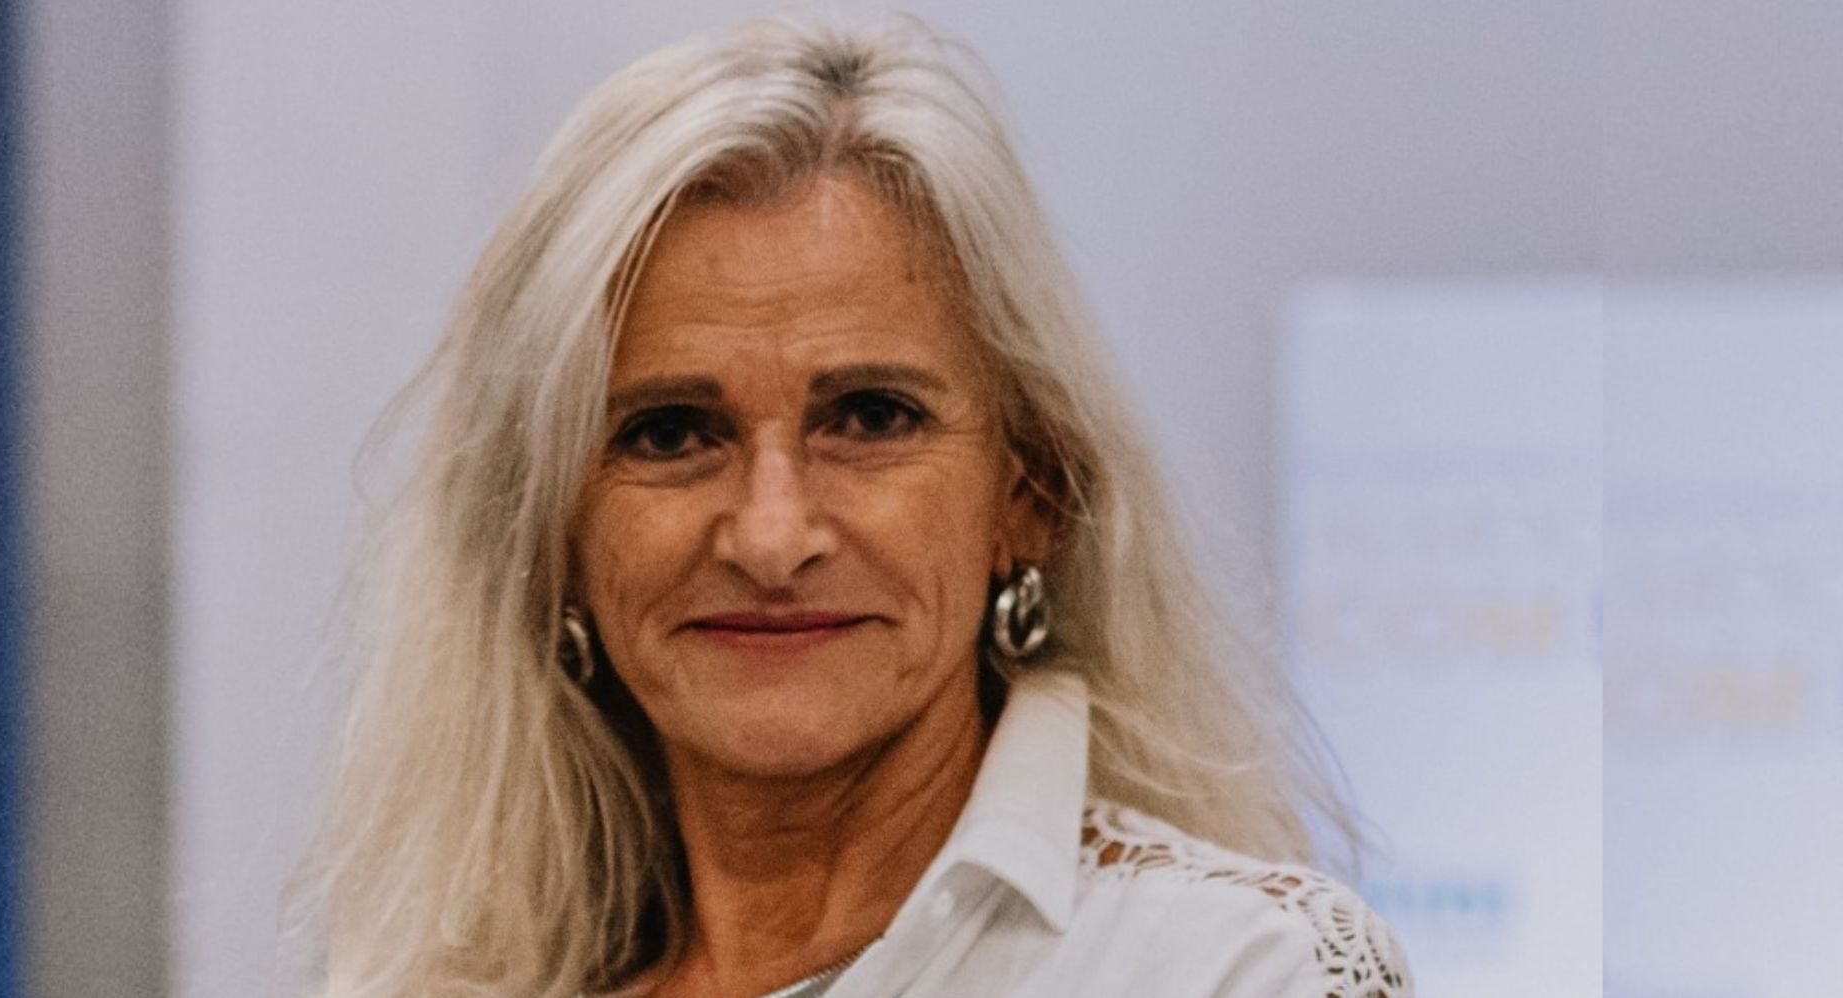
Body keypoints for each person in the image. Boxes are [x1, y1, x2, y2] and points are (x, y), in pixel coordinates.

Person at [301, 13, 1410, 998]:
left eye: (871, 418)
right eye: (671, 433)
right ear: (552, 533)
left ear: (1030, 493)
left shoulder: (1237, 971)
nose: (772, 536)